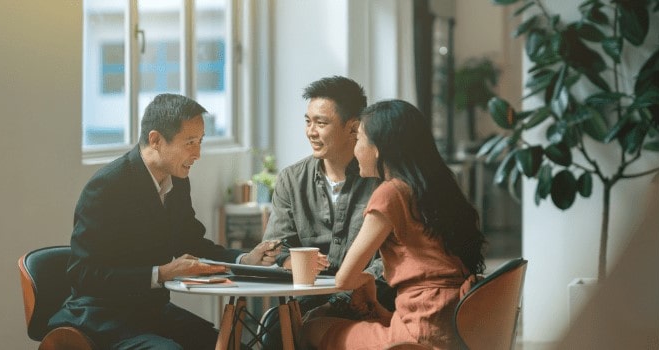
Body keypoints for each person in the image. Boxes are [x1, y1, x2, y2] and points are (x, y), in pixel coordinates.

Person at [49, 93, 280, 350]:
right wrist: (162, 273)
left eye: (200, 141)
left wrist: (245, 259)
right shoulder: (107, 187)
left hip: (151, 313)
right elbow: (83, 275)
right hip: (101, 317)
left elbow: (192, 244)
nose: (198, 154)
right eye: (190, 142)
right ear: (156, 140)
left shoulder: (177, 182)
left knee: (231, 346)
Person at [301, 99, 487, 350]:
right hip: (452, 324)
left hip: (419, 333)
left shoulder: (390, 193)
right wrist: (370, 283)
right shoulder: (436, 187)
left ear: (379, 148)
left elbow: (344, 279)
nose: (355, 149)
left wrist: (364, 280)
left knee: (311, 327)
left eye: (359, 139)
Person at [260, 76, 397, 348]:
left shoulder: (381, 180)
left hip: (369, 299)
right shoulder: (291, 179)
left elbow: (391, 258)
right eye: (308, 121)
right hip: (308, 300)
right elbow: (276, 246)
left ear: (353, 128)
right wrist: (290, 261)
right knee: (274, 330)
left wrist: (341, 300)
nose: (311, 132)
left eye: (321, 123)